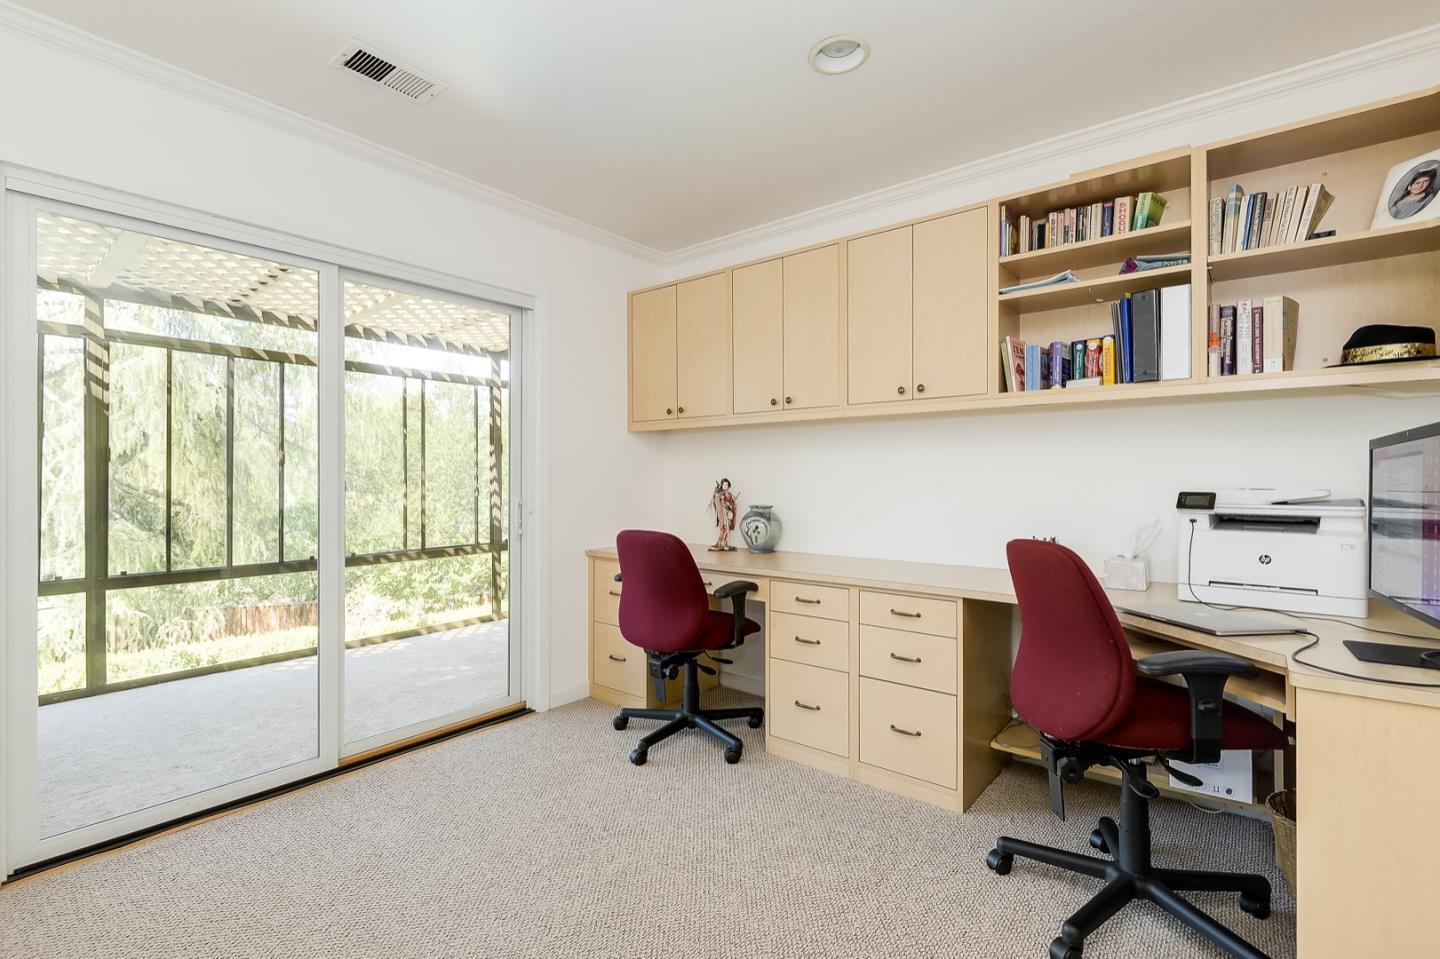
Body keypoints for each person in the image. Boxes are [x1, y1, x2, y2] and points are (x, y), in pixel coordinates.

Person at [707, 478, 738, 551]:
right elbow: (722, 503)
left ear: (728, 486)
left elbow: (732, 503)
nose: (725, 486)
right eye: (723, 484)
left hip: (727, 514)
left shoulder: (729, 494)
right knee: (724, 529)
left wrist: (732, 505)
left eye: (726, 485)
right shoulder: (720, 494)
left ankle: (725, 544)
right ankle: (722, 544)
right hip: (723, 514)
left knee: (727, 529)